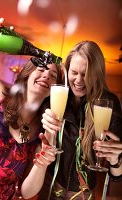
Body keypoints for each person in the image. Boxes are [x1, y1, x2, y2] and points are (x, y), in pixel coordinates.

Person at [0, 17, 63, 199]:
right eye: (41, 68)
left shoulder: (44, 132)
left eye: (53, 75)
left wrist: (42, 164)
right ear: (27, 74)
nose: (46, 75)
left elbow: (27, 191)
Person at [40, 40, 122, 200]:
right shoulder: (57, 94)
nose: (78, 80)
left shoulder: (107, 102)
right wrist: (43, 124)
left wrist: (115, 159)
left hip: (83, 194)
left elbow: (117, 175)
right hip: (48, 185)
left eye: (86, 74)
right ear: (67, 70)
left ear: (96, 74)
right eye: (74, 72)